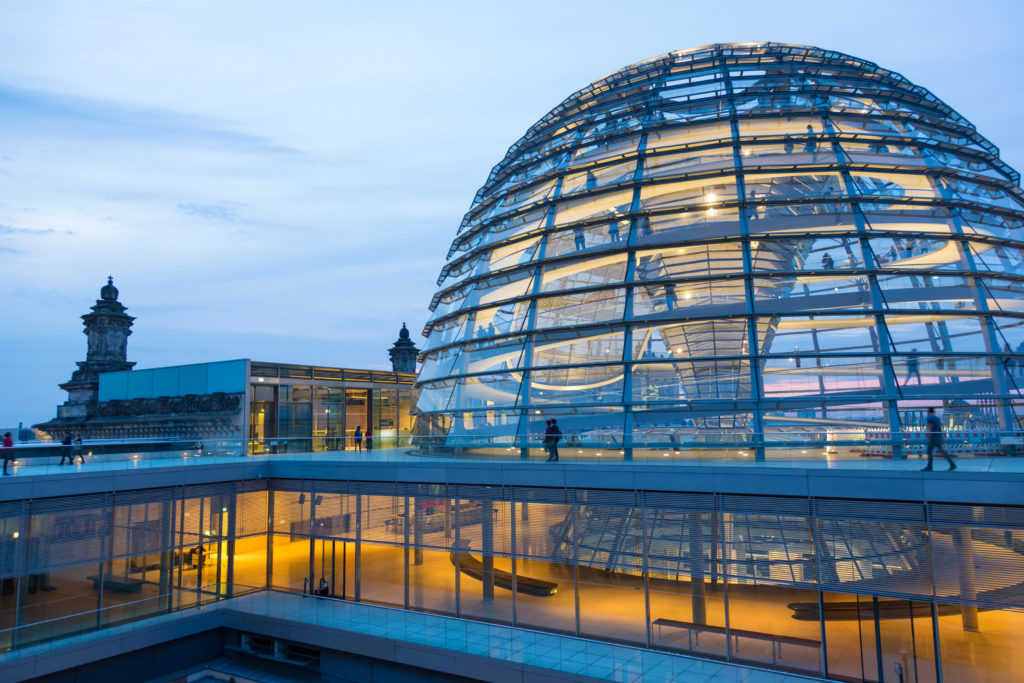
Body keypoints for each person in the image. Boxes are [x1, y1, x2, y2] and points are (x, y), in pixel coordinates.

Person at [922, 407, 956, 471]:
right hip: (939, 437)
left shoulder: (930, 419)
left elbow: (931, 429)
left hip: (933, 437)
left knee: (929, 451)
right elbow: (940, 428)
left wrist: (929, 437)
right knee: (943, 452)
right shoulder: (937, 419)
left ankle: (929, 467)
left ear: (929, 412)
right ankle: (952, 464)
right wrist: (942, 437)